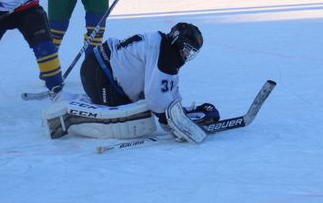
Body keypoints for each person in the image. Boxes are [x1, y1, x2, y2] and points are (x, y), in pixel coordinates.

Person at [44, 22, 219, 143]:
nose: (188, 55)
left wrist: (182, 113)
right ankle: (69, 117)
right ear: (177, 41)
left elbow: (167, 89)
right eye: (187, 49)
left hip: (98, 68)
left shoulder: (164, 46)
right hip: (101, 74)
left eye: (192, 51)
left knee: (140, 108)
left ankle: (67, 99)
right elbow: (156, 99)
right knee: (131, 119)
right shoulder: (166, 53)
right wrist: (173, 122)